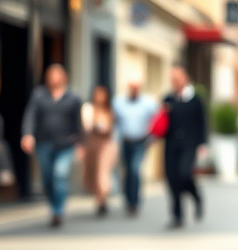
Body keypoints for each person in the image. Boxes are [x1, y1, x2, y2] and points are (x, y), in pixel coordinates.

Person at [20, 64, 82, 227]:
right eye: (50, 76)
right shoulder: (39, 95)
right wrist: (27, 134)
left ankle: (58, 211)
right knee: (47, 178)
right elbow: (30, 115)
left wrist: (81, 144)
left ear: (64, 78)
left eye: (57, 76)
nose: (53, 79)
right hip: (44, 143)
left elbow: (78, 123)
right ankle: (53, 204)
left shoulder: (73, 98)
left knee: (60, 174)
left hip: (65, 144)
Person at [163, 66, 207, 228]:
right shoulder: (168, 99)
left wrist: (202, 144)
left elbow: (202, 122)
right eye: (173, 79)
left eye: (178, 78)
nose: (175, 82)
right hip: (171, 145)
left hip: (190, 144)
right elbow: (162, 125)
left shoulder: (195, 99)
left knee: (184, 174)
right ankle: (177, 216)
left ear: (186, 78)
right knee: (172, 180)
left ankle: (196, 196)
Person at [113, 80, 158, 215]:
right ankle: (128, 199)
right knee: (127, 171)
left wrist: (152, 138)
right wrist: (114, 141)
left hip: (141, 141)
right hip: (125, 141)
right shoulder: (119, 102)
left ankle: (135, 201)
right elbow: (116, 123)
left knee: (135, 169)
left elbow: (156, 120)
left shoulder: (149, 103)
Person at [81, 84, 118, 216]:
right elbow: (86, 127)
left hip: (106, 145)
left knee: (103, 172)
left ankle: (103, 198)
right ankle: (99, 198)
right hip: (92, 145)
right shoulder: (88, 109)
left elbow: (111, 129)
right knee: (93, 173)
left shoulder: (110, 110)